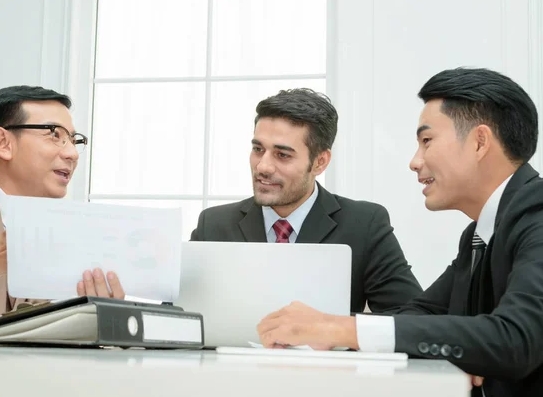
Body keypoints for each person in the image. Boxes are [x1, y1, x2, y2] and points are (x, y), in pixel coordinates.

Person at [257, 68, 543, 396]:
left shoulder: (537, 214)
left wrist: (340, 328)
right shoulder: (478, 235)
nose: (414, 161)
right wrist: (329, 332)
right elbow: (423, 312)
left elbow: (517, 340)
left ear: (479, 143)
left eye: (427, 141)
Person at [191, 88, 422, 313]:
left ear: (320, 162)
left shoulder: (365, 225)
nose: (263, 166)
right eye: (258, 149)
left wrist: (333, 331)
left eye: (283, 155)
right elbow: (182, 316)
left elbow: (409, 316)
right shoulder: (213, 225)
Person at [0, 85, 125, 341]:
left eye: (74, 140)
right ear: (4, 143)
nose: (72, 153)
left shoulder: (77, 239)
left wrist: (99, 316)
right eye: (54, 134)